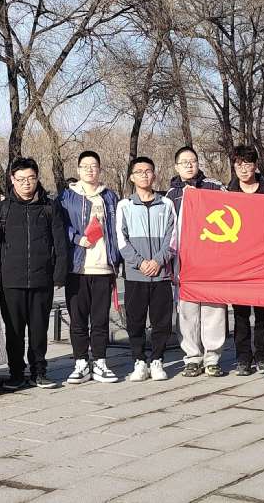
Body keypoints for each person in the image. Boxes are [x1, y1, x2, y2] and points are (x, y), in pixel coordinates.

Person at [0, 157, 69, 390]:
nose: (26, 183)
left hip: (42, 279)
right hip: (11, 281)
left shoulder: (49, 207)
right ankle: (16, 372)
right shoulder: (2, 209)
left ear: (37, 178)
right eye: (21, 179)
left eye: (31, 178)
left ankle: (39, 372)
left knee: (39, 330)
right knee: (13, 332)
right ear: (12, 179)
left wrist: (59, 274)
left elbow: (60, 242)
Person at [58, 151, 121, 384]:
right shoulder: (67, 197)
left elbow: (117, 229)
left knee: (100, 319)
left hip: (103, 267)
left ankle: (101, 362)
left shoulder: (110, 196)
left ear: (100, 169)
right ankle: (81, 363)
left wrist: (117, 260)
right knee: (78, 319)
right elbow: (60, 226)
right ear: (78, 170)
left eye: (94, 166)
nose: (89, 170)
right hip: (78, 267)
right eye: (85, 166)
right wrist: (77, 238)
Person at [165, 145, 228, 378]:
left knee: (214, 309)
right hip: (185, 262)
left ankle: (212, 358)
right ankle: (192, 357)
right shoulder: (171, 196)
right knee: (187, 311)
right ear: (176, 167)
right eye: (184, 162)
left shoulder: (214, 187)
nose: (189, 165)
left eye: (192, 161)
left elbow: (234, 210)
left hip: (212, 261)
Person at [116, 156, 178, 382]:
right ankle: (139, 361)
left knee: (162, 321)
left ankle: (157, 360)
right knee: (135, 320)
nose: (144, 175)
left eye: (148, 171)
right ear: (132, 177)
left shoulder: (167, 204)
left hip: (161, 274)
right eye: (139, 172)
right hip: (136, 274)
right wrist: (140, 262)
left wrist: (159, 261)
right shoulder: (124, 205)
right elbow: (121, 239)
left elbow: (173, 238)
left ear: (154, 174)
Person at [226, 145, 264, 376]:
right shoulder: (228, 193)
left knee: (263, 314)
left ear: (256, 165)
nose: (244, 169)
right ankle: (243, 358)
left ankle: (263, 356)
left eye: (248, 164)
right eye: (239, 165)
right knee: (241, 315)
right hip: (239, 263)